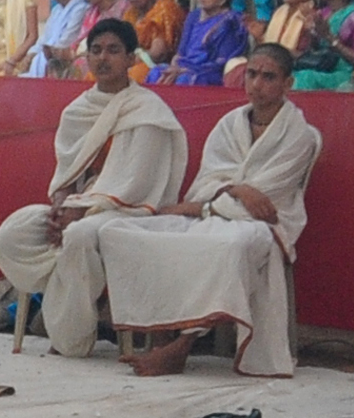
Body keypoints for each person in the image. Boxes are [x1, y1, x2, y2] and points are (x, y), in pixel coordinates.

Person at [45, 38, 331, 377]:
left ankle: (181, 348)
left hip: (262, 228)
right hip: (211, 214)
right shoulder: (229, 124)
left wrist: (202, 207)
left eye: (268, 77)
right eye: (251, 74)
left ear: (288, 84)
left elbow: (265, 201)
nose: (256, 84)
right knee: (119, 232)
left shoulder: (300, 135)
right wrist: (231, 190)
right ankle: (158, 333)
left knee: (228, 246)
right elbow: (207, 184)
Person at [0, 20, 189, 335]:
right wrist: (60, 206)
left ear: (131, 59)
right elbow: (66, 174)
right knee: (12, 234)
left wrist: (80, 211)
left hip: (130, 210)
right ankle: (63, 307)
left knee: (80, 236)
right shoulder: (76, 111)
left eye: (113, 50)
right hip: (79, 207)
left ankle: (71, 335)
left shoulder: (148, 111)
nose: (103, 58)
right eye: (95, 50)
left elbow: (137, 183)